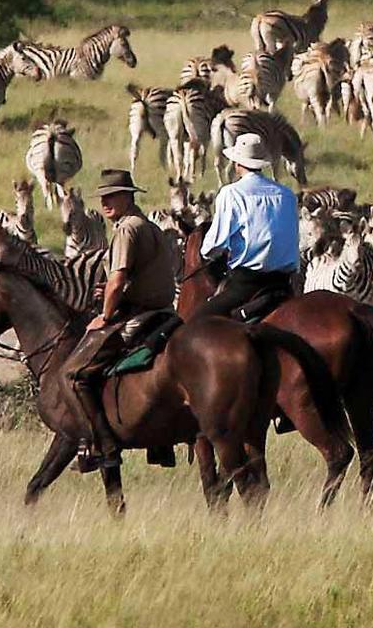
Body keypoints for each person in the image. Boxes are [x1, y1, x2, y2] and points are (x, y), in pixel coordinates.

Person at [49, 166, 178, 473]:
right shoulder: (150, 226)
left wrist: (104, 316)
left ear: (127, 197)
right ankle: (162, 442)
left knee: (73, 375)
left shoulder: (126, 229)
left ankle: (100, 446)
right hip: (166, 314)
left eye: (113, 196)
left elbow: (118, 281)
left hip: (137, 317)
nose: (105, 202)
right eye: (103, 197)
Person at [200, 133, 302, 322]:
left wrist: (208, 254)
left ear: (237, 164)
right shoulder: (287, 195)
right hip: (284, 285)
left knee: (197, 323)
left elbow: (213, 246)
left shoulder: (231, 194)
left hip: (247, 284)